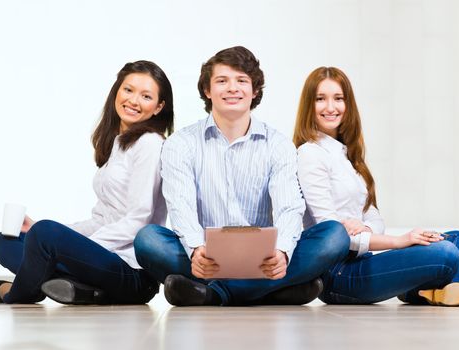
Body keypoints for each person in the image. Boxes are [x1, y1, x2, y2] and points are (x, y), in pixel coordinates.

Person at [133, 46, 350, 306]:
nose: (232, 88)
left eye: (242, 81)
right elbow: (181, 206)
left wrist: (281, 252)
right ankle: (270, 291)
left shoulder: (278, 144)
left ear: (255, 90)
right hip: (206, 257)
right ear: (207, 90)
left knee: (335, 236)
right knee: (148, 240)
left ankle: (216, 294)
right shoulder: (181, 143)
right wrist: (195, 250)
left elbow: (289, 207)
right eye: (222, 81)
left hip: (263, 258)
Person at [0, 60, 174, 305]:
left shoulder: (150, 143)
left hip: (131, 272)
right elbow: (101, 219)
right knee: (5, 241)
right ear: (117, 91)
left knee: (45, 234)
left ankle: (19, 292)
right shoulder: (117, 143)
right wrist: (57, 238)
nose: (134, 101)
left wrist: (77, 247)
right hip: (103, 260)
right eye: (128, 90)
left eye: (146, 96)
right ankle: (82, 289)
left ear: (158, 107)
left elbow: (139, 219)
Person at [293, 66, 459, 306]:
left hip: (362, 259)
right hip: (337, 274)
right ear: (309, 105)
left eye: (338, 98)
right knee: (446, 253)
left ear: (348, 105)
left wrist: (362, 227)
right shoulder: (310, 154)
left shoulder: (350, 157)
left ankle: (427, 294)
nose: (330, 107)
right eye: (320, 99)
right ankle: (428, 290)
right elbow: (330, 235)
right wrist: (400, 240)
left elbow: (375, 218)